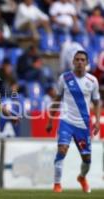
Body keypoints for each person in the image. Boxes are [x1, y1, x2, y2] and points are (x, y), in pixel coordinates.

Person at [46, 51, 101, 193]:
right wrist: (51, 120)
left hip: (83, 124)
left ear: (87, 63)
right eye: (77, 60)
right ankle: (57, 185)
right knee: (62, 150)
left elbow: (96, 102)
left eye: (83, 60)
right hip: (66, 121)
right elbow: (57, 100)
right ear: (73, 62)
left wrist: (96, 122)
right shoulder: (64, 78)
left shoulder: (92, 81)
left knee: (87, 159)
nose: (80, 62)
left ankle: (82, 177)